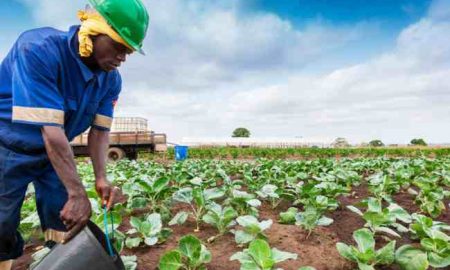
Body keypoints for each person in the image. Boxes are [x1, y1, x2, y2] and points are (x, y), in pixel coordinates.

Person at [0, 0, 149, 269]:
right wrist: (78, 193)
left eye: (128, 52)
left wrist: (101, 178)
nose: (122, 58)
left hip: (53, 153)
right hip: (6, 148)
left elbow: (100, 132)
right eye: (118, 46)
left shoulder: (111, 80)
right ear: (92, 30)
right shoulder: (37, 49)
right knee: (1, 223)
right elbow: (51, 130)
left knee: (66, 218)